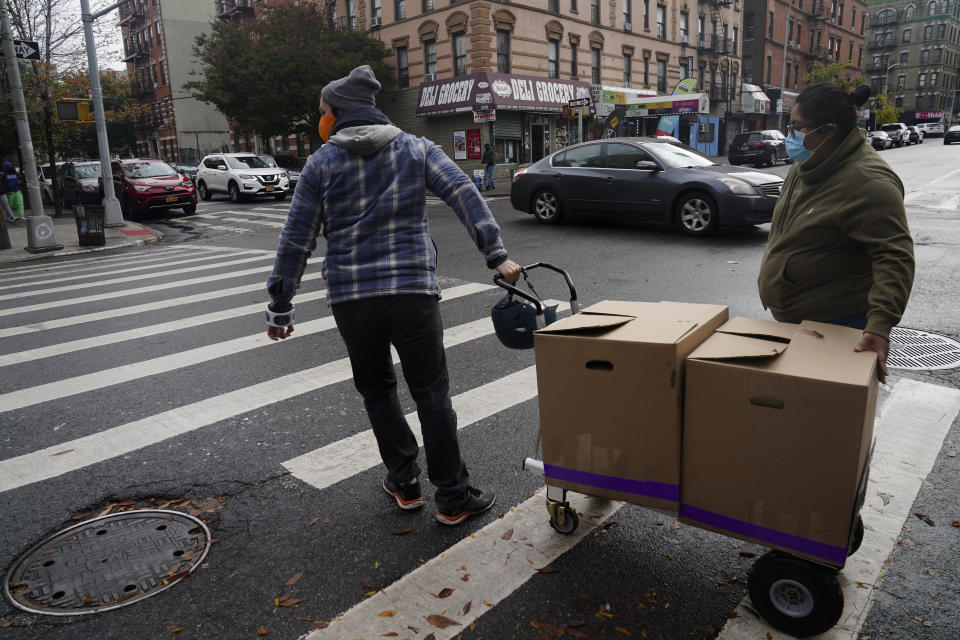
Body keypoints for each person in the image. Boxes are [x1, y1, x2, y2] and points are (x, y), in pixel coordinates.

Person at [265, 65, 522, 526]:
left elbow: (296, 238)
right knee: (432, 394)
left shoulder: (320, 164)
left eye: (323, 112)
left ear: (339, 113)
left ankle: (404, 483)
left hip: (351, 299)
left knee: (379, 393)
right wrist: (495, 254)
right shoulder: (416, 148)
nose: (321, 120)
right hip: (412, 293)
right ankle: (453, 496)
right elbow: (462, 190)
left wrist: (281, 304)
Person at [758, 84, 914, 383]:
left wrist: (879, 326)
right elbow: (788, 232)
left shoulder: (868, 183)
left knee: (823, 416)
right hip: (794, 319)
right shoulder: (807, 163)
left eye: (797, 127)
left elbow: (895, 257)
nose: (791, 136)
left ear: (828, 131)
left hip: (836, 325)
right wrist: (772, 282)